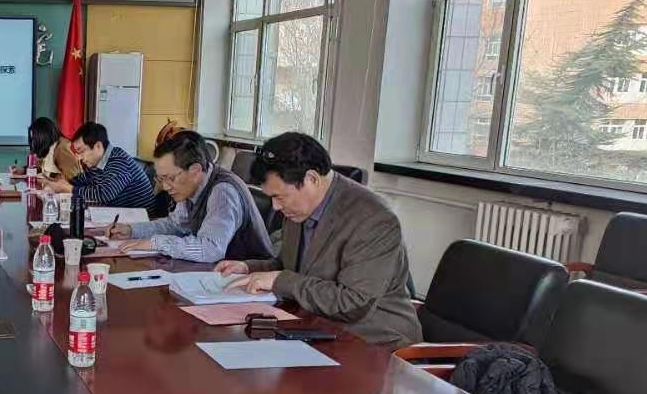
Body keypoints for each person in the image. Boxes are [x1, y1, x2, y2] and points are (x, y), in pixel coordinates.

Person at [216, 132, 421, 348]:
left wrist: (279, 281)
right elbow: (290, 267)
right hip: (315, 327)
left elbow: (353, 303)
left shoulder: (373, 220)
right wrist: (248, 268)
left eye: (279, 197)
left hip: (374, 343)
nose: (275, 207)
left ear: (311, 179)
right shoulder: (299, 208)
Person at [114, 128, 274, 263]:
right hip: (215, 273)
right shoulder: (189, 187)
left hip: (250, 279)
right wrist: (132, 230)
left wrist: (157, 243)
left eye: (170, 178)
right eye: (161, 179)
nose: (165, 187)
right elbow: (176, 225)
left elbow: (211, 248)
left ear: (195, 171)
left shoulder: (223, 192)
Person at [42, 121, 152, 208]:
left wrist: (69, 189)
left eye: (81, 151)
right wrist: (55, 183)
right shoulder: (97, 163)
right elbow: (82, 180)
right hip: (117, 216)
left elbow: (105, 194)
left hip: (140, 221)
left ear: (98, 146)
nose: (79, 158)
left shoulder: (119, 161)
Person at [28, 116, 80, 180]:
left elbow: (74, 178)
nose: (33, 144)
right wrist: (23, 169)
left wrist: (53, 180)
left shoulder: (61, 148)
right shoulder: (49, 147)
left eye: (35, 139)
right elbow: (41, 166)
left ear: (43, 136)